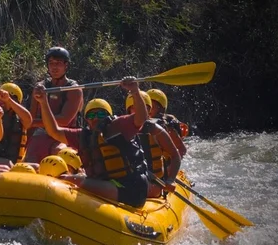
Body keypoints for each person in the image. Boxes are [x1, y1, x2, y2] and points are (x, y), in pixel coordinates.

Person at [34, 78, 149, 208]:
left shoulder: (118, 126)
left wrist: (135, 91)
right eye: (91, 115)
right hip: (106, 185)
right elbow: (53, 131)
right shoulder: (83, 136)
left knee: (74, 180)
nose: (95, 118)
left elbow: (141, 118)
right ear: (87, 119)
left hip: (129, 189)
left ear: (107, 116)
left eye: (100, 114)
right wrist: (43, 102)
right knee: (70, 176)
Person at [25, 47, 83, 163]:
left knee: (58, 151)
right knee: (30, 158)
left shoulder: (74, 89)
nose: (54, 67)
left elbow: (65, 120)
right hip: (42, 132)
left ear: (66, 65)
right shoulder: (40, 87)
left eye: (58, 63)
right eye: (51, 63)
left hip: (66, 134)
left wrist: (33, 122)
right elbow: (32, 116)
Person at [125, 91, 181, 198]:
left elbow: (175, 155)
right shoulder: (120, 128)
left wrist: (170, 180)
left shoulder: (156, 130)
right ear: (128, 110)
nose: (138, 111)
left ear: (148, 111)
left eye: (143, 108)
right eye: (134, 108)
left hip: (154, 183)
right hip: (130, 180)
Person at [0, 83, 33, 166]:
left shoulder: (21, 119)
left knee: (36, 167)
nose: (2, 101)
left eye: (4, 98)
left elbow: (29, 119)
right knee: (8, 164)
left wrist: (8, 100)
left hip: (13, 163)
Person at [146, 89, 187, 157]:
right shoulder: (140, 123)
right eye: (147, 106)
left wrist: (173, 163)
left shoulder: (167, 127)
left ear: (161, 109)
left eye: (152, 107)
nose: (148, 110)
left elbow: (182, 150)